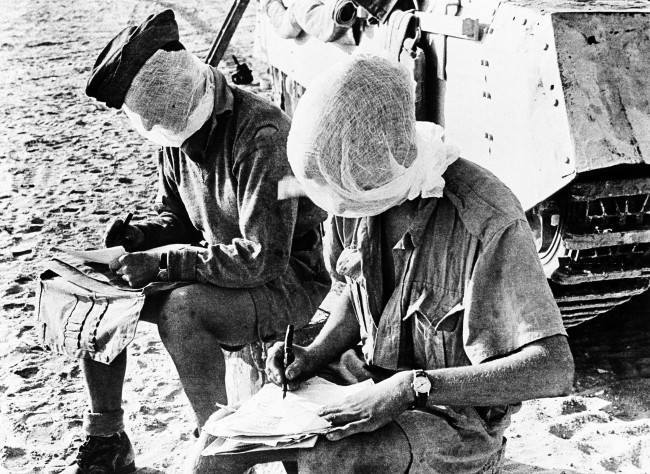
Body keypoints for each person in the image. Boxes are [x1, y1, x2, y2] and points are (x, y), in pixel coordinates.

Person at [194, 54, 575, 473]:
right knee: (220, 443)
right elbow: (352, 292)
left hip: (452, 416)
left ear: (374, 157)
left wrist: (413, 387)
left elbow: (553, 368)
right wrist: (314, 353)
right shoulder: (349, 186)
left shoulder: (486, 218)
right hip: (362, 380)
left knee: (330, 458)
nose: (340, 208)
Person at [64, 10, 330, 474]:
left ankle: (222, 444)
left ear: (201, 101)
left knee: (182, 309)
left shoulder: (262, 136)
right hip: (222, 263)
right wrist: (141, 237)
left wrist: (164, 262)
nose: (184, 149)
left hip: (289, 281)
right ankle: (106, 434)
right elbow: (180, 220)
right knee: (93, 288)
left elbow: (262, 258)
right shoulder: (173, 124)